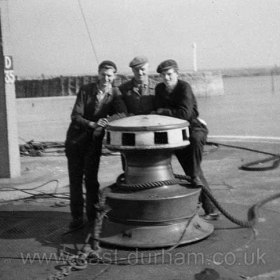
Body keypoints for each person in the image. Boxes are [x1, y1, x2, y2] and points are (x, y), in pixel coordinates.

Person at [65, 60, 126, 229]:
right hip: (75, 141)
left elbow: (123, 113)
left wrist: (106, 121)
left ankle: (92, 218)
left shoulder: (115, 93)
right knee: (75, 181)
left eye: (109, 75)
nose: (106, 78)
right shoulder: (86, 90)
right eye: (103, 75)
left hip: (93, 143)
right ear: (98, 74)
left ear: (114, 76)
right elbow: (76, 116)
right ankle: (77, 217)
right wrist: (93, 125)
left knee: (91, 181)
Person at [154, 59, 219, 220]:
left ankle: (209, 207)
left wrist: (162, 111)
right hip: (176, 133)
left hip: (194, 128)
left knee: (196, 145)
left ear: (177, 74)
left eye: (169, 74)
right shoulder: (159, 89)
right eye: (163, 75)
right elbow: (159, 110)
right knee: (192, 172)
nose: (166, 78)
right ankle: (210, 209)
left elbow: (186, 114)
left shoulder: (184, 87)